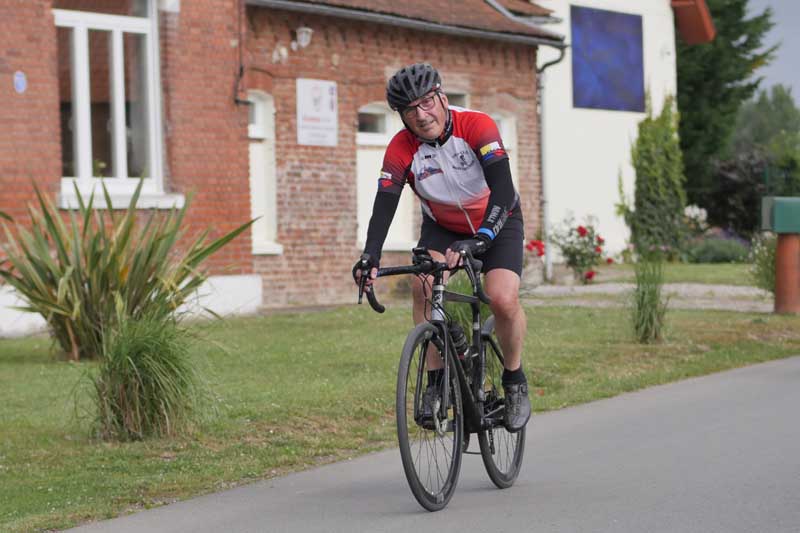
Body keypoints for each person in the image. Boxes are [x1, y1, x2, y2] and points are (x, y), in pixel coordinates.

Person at [353, 62, 530, 432]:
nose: (421, 115)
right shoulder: (401, 147)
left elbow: (502, 189)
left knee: (502, 299)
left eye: (427, 103)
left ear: (442, 98)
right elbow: (384, 204)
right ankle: (436, 384)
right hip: (443, 227)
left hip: (497, 221)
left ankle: (514, 380)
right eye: (410, 110)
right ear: (401, 116)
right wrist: (370, 255)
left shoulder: (477, 126)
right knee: (423, 286)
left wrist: (484, 237)